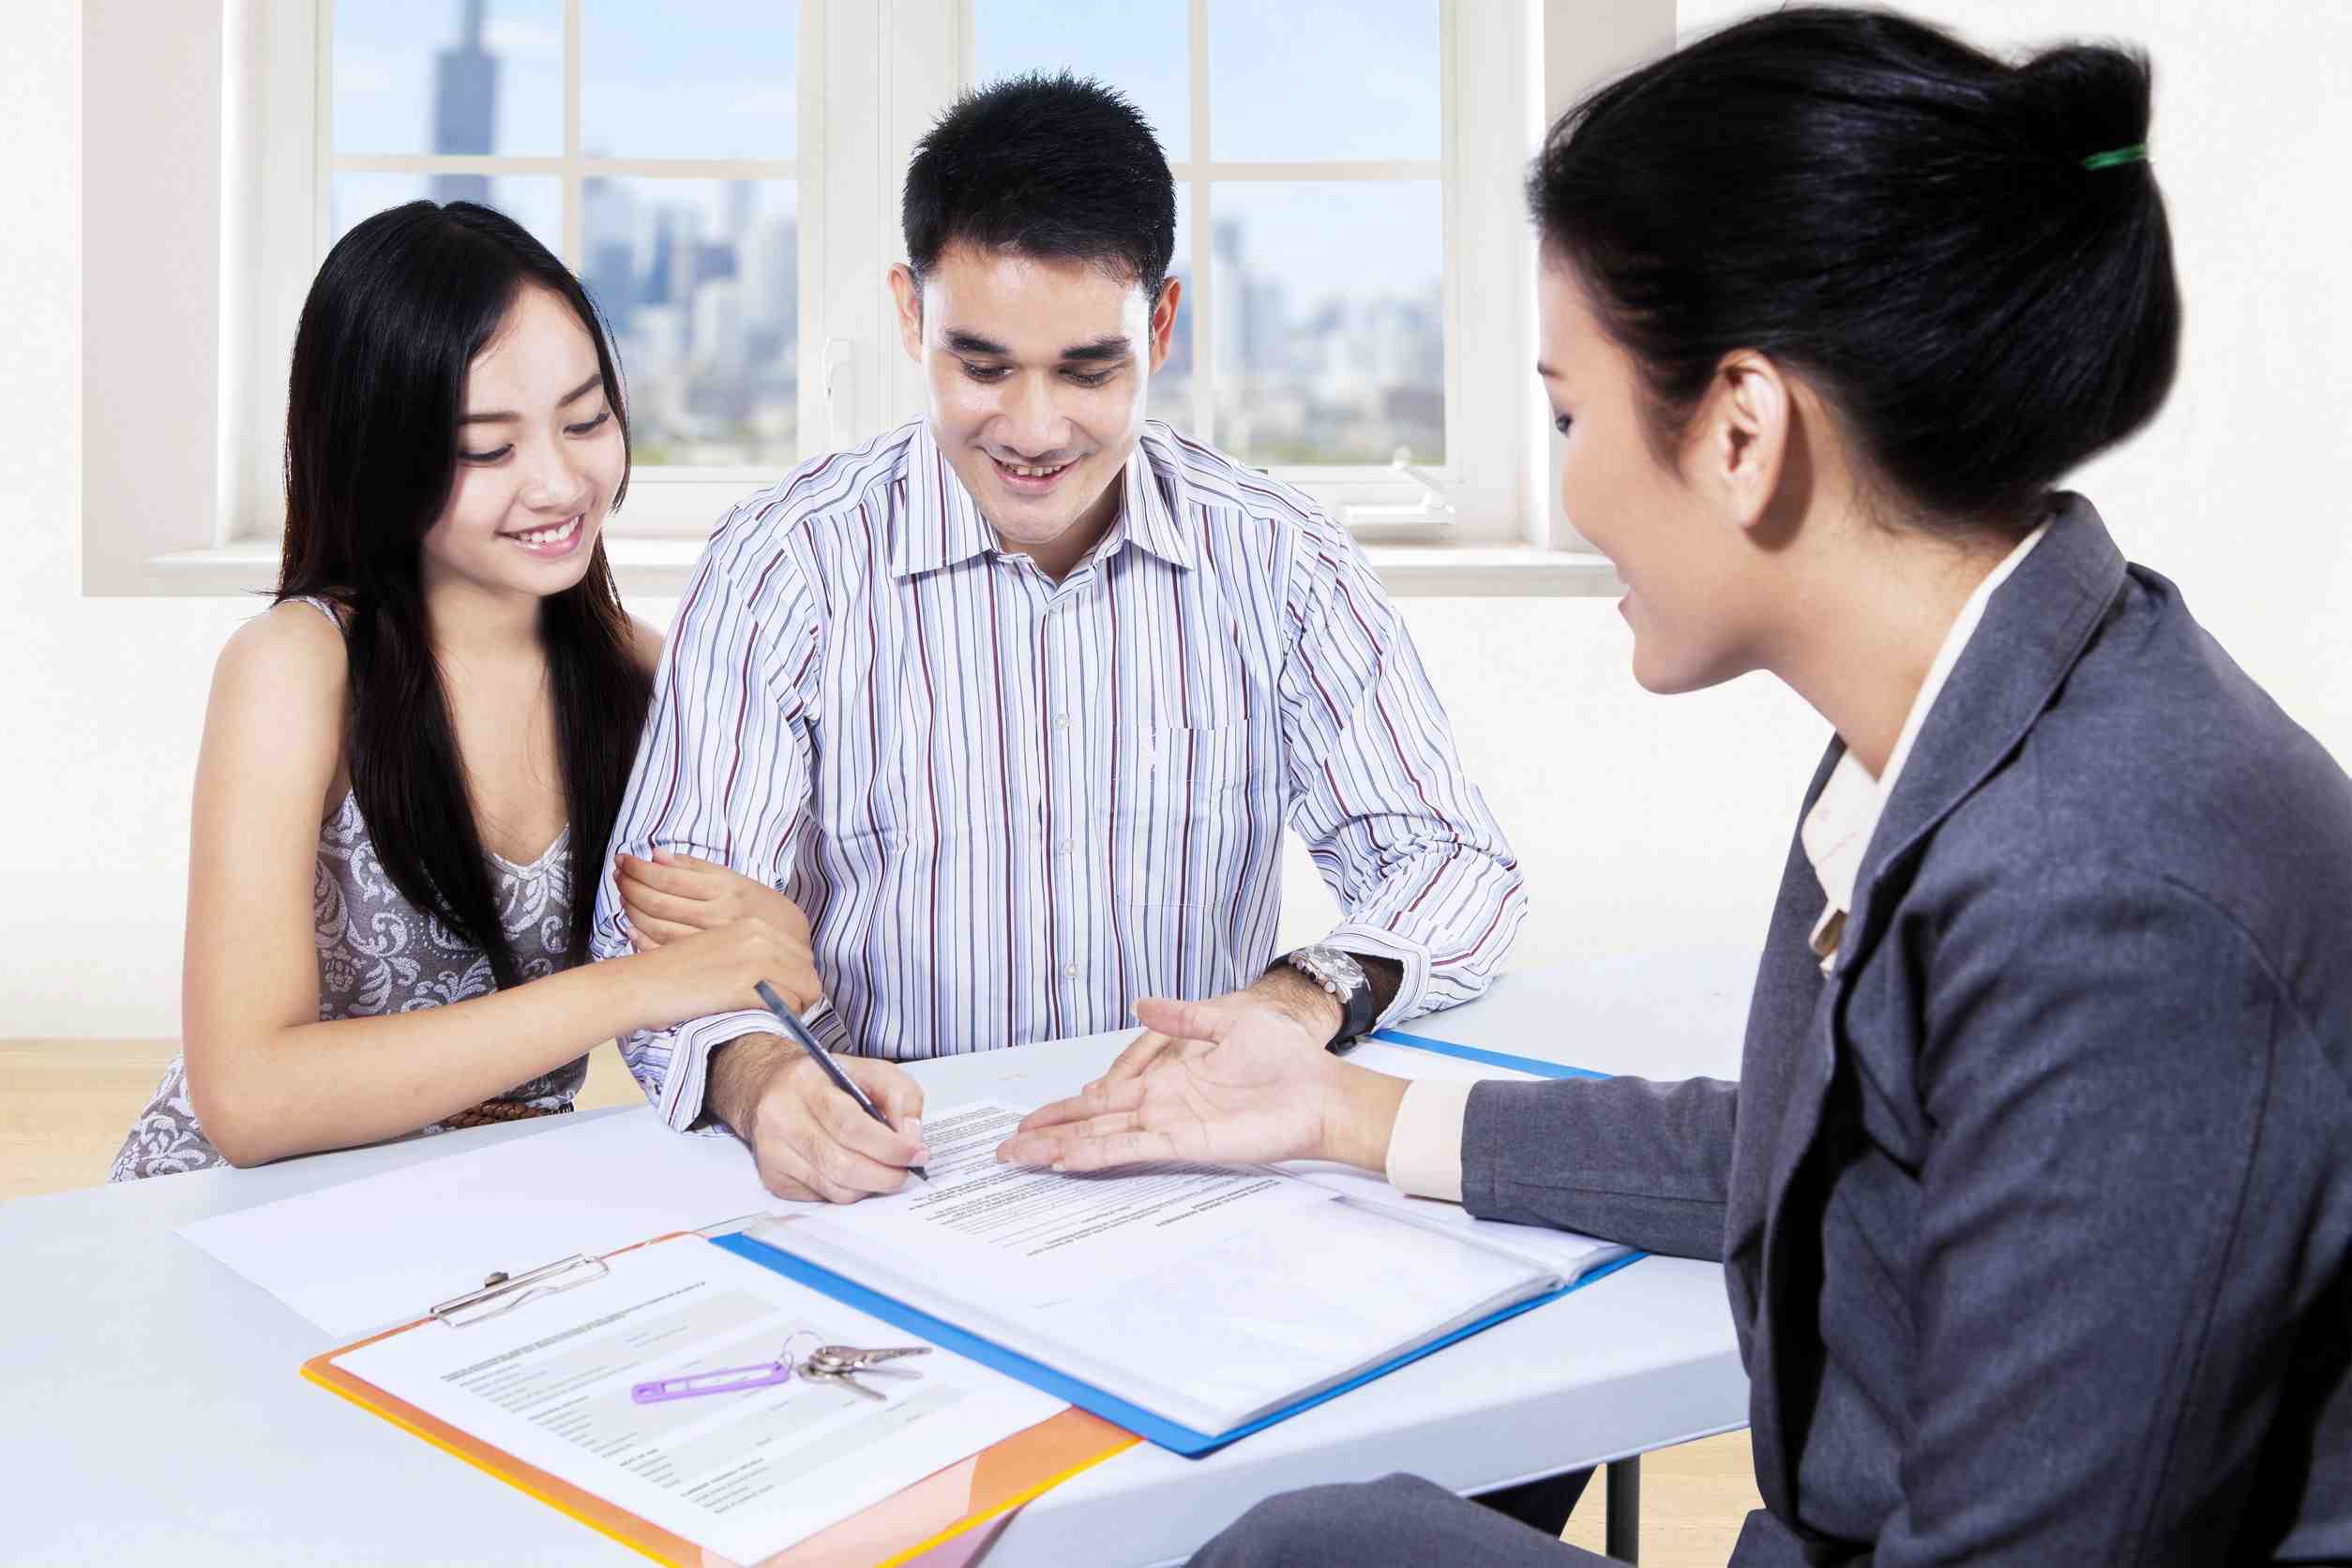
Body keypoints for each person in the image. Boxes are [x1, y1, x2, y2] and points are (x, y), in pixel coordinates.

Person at [1001, 8, 2352, 1562]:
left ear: (1741, 431)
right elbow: (1820, 1154)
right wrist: (1334, 1106)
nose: (1569, 482)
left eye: (1569, 413)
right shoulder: (1970, 720)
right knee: (1325, 1538)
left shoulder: (2110, 898)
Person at [587, 72, 1525, 1209]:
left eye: (1089, 370)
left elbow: (1452, 863)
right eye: (982, 368)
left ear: (1161, 326)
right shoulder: (784, 567)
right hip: (896, 1179)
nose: (1033, 429)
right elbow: (662, 936)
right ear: (909, 315)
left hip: (1200, 1168)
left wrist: (1297, 997)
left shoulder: (1280, 559)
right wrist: (766, 1082)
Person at [113, 202, 812, 1180]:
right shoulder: (296, 668)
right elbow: (248, 1099)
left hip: (487, 1203)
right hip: (244, 1205)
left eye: (586, 420)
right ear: (375, 454)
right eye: (488, 448)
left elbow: (752, 957)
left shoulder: (647, 680)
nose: (560, 483)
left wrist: (776, 931)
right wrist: (638, 985)